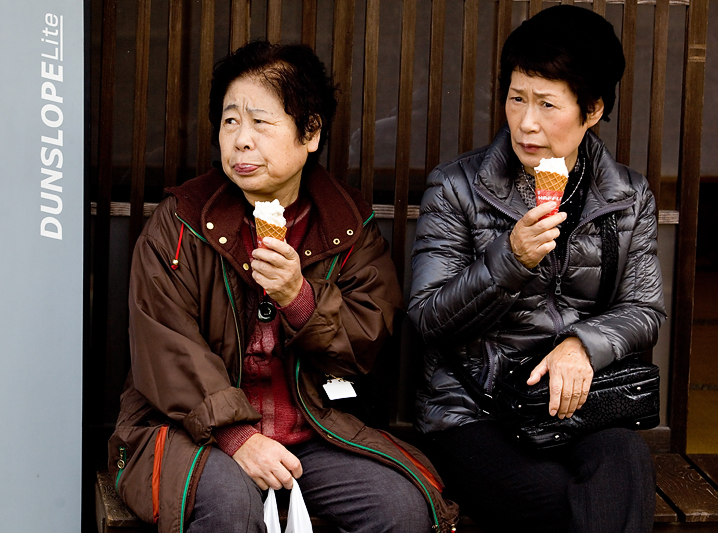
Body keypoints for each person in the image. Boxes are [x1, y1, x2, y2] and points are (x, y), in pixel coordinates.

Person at [108, 40, 458, 533]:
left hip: (312, 428)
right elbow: (165, 344)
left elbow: (366, 339)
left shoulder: (347, 224)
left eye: (260, 122)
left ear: (310, 132)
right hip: (191, 431)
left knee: (401, 508)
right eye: (230, 122)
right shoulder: (181, 222)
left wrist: (300, 300)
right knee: (232, 506)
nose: (241, 140)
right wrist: (236, 436)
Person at [408, 6, 665, 532]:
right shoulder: (457, 187)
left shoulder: (627, 196)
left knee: (626, 462)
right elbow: (426, 317)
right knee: (568, 507)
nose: (527, 123)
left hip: (577, 406)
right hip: (471, 409)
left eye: (548, 104)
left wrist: (583, 346)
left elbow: (644, 308)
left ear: (591, 110)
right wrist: (512, 259)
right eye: (517, 98)